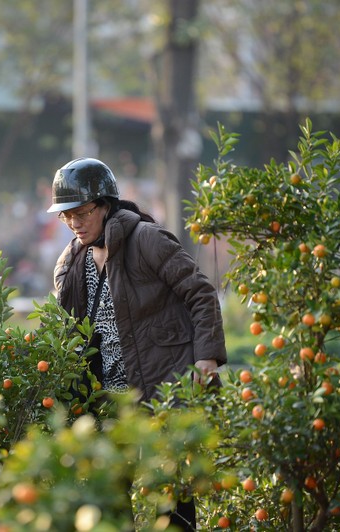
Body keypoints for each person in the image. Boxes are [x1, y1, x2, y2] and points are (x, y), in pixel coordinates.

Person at [47, 157, 228, 531]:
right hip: (108, 399)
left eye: (81, 212)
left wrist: (207, 358)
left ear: (104, 205)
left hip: (161, 388)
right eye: (67, 216)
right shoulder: (72, 262)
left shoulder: (146, 239)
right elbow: (67, 331)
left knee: (173, 499)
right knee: (110, 497)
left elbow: (201, 293)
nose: (75, 223)